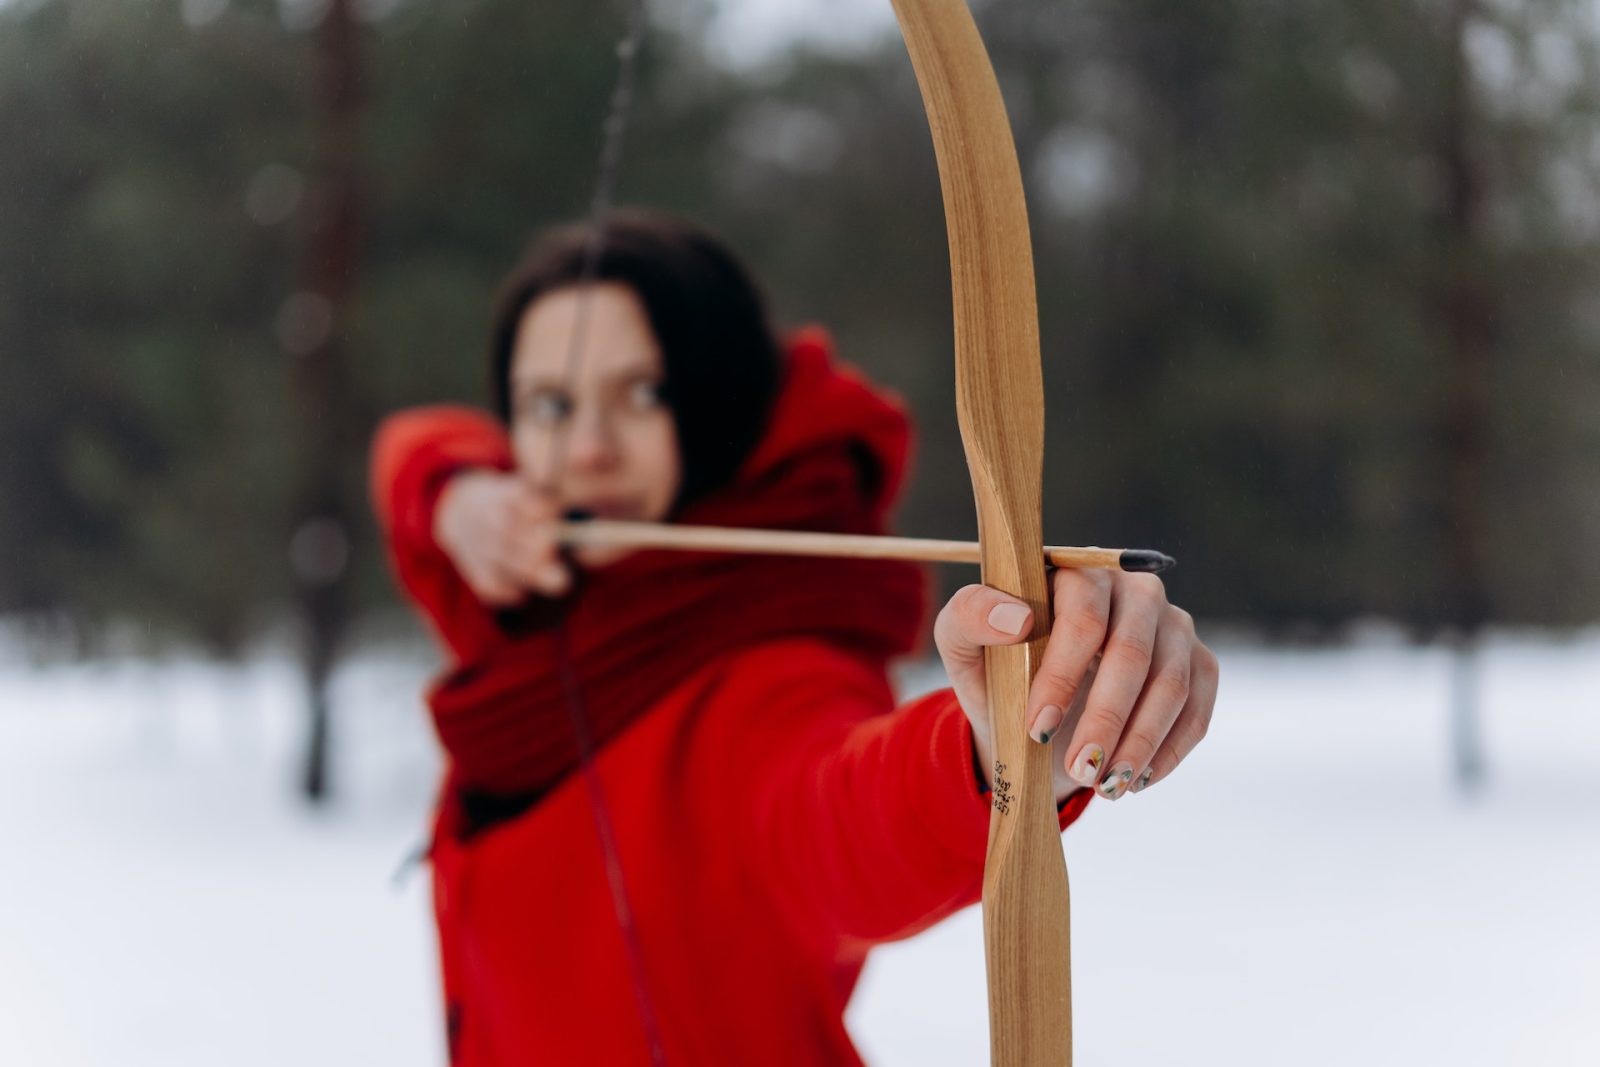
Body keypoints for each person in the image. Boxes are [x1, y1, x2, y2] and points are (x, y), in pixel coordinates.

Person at [370, 209, 1217, 1066]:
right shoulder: (523, 594)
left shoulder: (769, 662)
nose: (586, 450)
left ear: (720, 393)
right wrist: (453, 493)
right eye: (549, 405)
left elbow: (840, 816)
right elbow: (404, 448)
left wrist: (993, 741)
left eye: (644, 393)